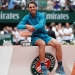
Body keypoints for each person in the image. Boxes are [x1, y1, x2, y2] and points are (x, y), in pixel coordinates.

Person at [17, 1, 66, 75]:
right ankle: (43, 67)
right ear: (28, 8)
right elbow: (19, 26)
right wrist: (26, 26)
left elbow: (41, 24)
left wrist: (32, 27)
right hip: (35, 37)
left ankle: (60, 67)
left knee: (58, 45)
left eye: (33, 7)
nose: (32, 8)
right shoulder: (26, 17)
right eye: (30, 7)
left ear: (36, 7)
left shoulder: (42, 15)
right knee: (42, 44)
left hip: (45, 36)